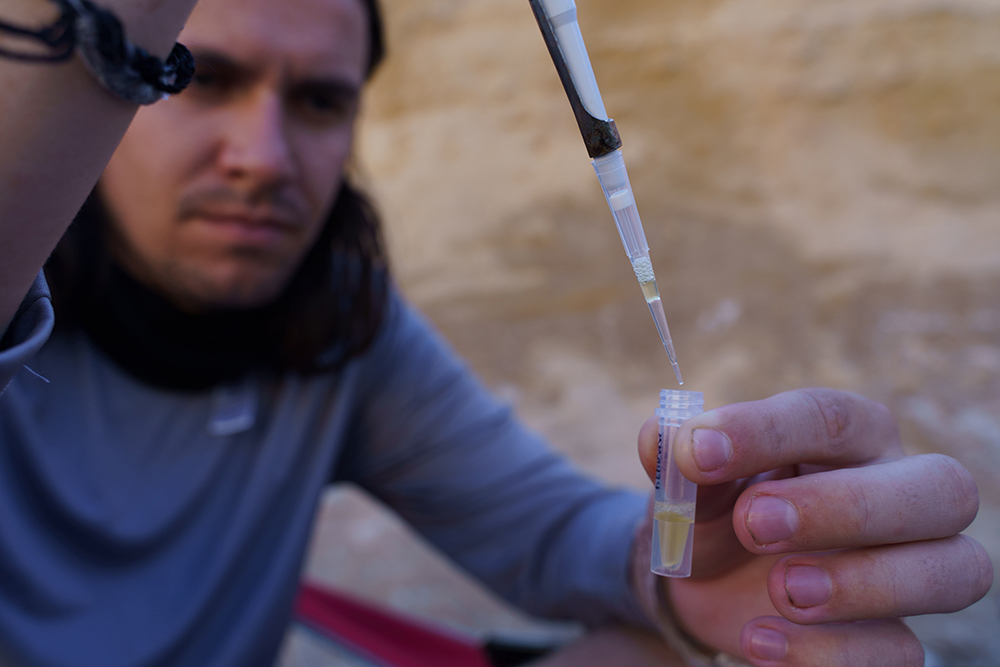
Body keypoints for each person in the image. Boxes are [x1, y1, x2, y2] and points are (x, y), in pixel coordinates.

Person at [0, 0, 991, 665]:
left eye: (317, 102)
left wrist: (704, 572)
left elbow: (558, 534)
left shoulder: (339, 321)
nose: (261, 157)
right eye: (193, 79)